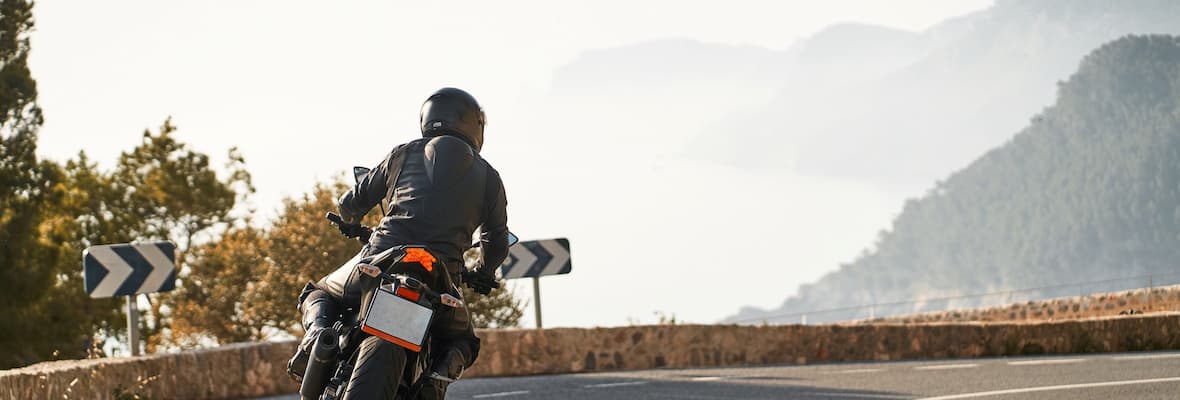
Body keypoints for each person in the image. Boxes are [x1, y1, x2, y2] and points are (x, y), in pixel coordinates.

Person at [288, 87, 509, 399]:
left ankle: (317, 334)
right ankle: (435, 379)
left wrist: (350, 223)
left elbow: (352, 202)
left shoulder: (404, 154)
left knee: (319, 291)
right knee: (463, 341)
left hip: (382, 255)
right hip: (442, 273)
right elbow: (497, 242)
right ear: (474, 125)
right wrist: (484, 272)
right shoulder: (489, 178)